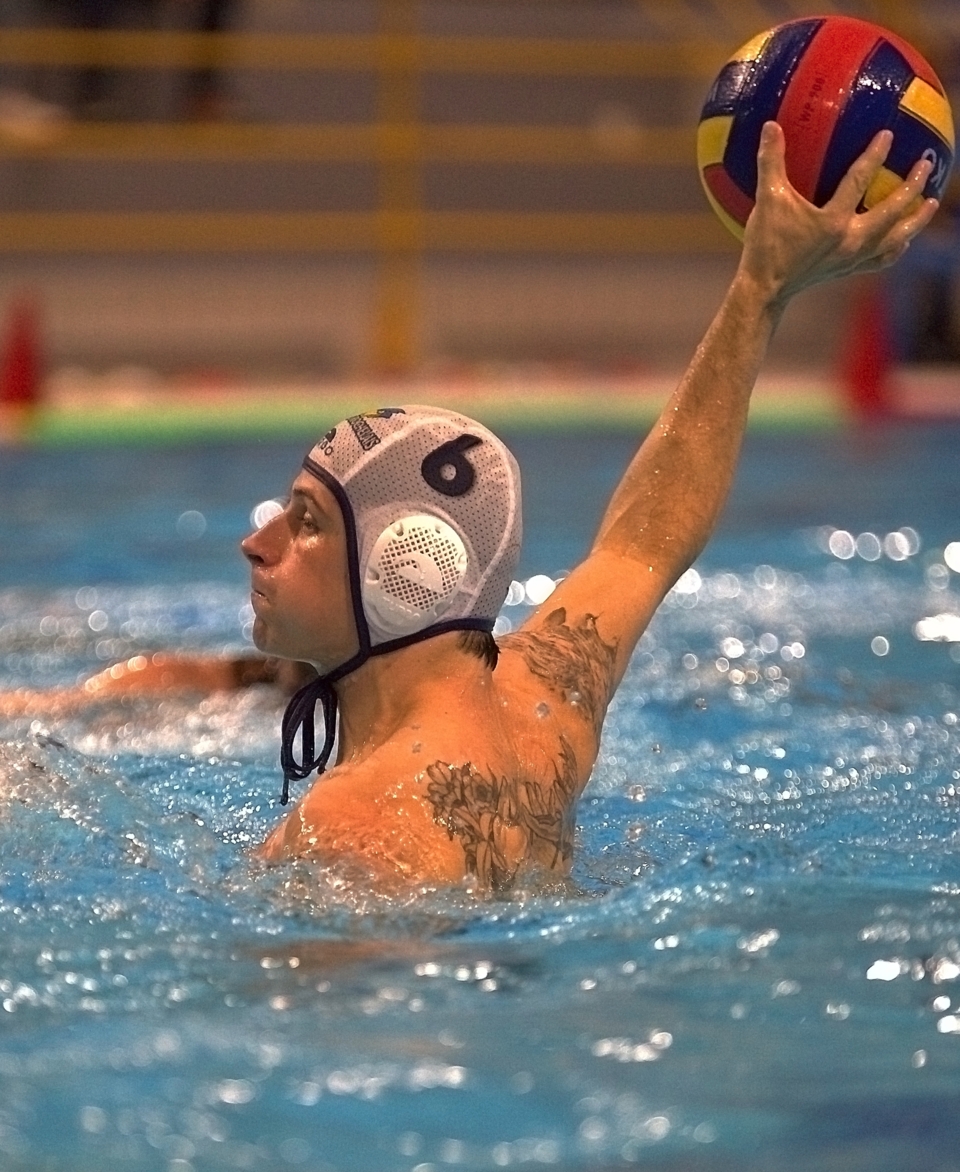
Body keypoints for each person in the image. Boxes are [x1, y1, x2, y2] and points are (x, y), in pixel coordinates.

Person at [0, 124, 936, 892]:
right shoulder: (545, 700)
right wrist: (760, 290)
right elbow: (645, 542)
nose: (257, 542)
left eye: (307, 521)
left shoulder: (350, 829)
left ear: (405, 569)